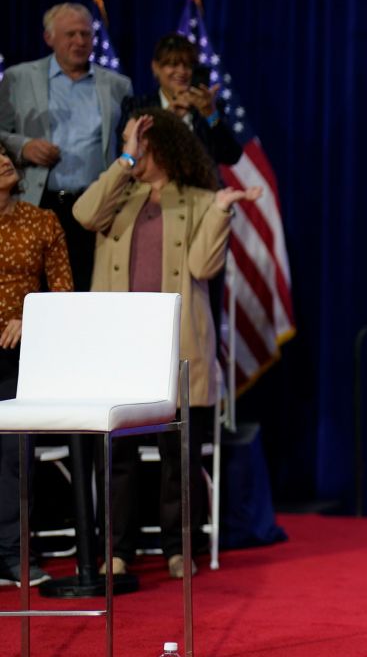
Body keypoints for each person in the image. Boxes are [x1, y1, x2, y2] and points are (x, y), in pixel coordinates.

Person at [73, 110, 260, 578]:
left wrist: (219, 211)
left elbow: (202, 268)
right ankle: (118, 549)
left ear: (164, 147)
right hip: (120, 346)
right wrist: (124, 157)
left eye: (140, 142)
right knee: (118, 455)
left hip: (177, 346)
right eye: (128, 142)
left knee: (180, 456)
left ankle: (179, 548)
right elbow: (82, 214)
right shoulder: (118, 196)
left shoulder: (200, 200)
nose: (133, 149)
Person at [0, 2, 132, 292]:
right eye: (70, 34)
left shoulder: (117, 85)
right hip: (39, 203)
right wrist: (24, 147)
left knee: (88, 290)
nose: (80, 41)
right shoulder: (18, 78)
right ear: (49, 38)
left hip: (95, 207)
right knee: (41, 293)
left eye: (86, 34)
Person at [0, 153, 73, 586]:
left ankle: (12, 554)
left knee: (13, 455)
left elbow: (63, 293)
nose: (5, 160)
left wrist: (32, 319)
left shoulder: (42, 221)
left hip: (19, 358)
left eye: (6, 155)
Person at [121, 33, 243, 169]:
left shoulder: (210, 106)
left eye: (188, 65)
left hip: (202, 189)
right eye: (173, 64)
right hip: (152, 189)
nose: (182, 71)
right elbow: (127, 161)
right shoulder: (136, 107)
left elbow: (232, 156)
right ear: (155, 67)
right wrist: (165, 119)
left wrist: (211, 115)